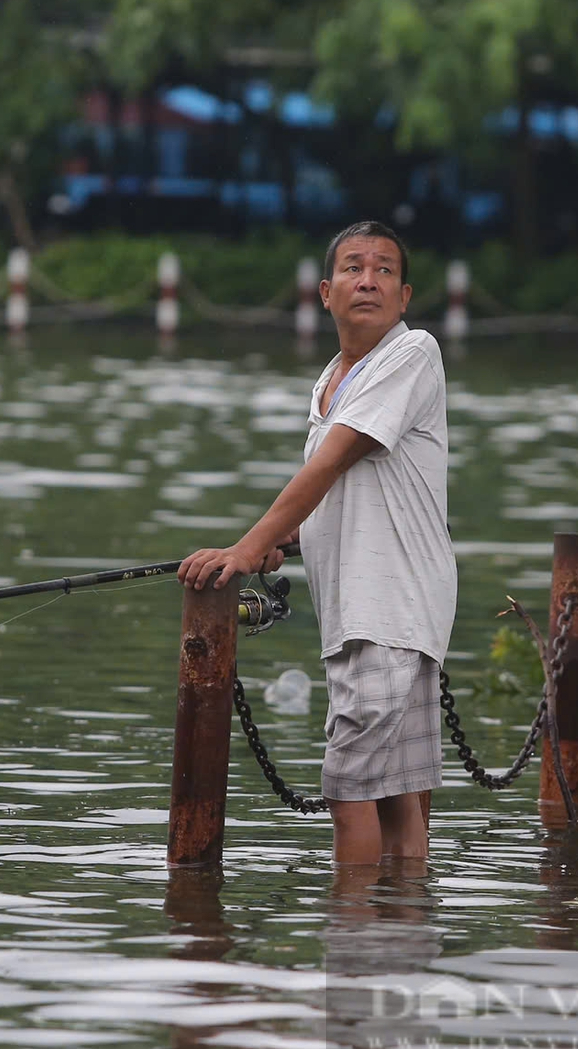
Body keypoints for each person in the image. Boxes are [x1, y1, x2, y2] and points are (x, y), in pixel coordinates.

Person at [177, 221, 456, 865]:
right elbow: (351, 489)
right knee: (397, 793)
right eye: (354, 268)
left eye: (384, 270)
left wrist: (248, 549)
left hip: (388, 606)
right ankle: (398, 936)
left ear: (405, 294)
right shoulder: (333, 379)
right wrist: (289, 539)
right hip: (379, 608)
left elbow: (329, 464)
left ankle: (351, 939)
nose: (369, 280)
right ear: (326, 293)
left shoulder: (410, 353)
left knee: (352, 787)